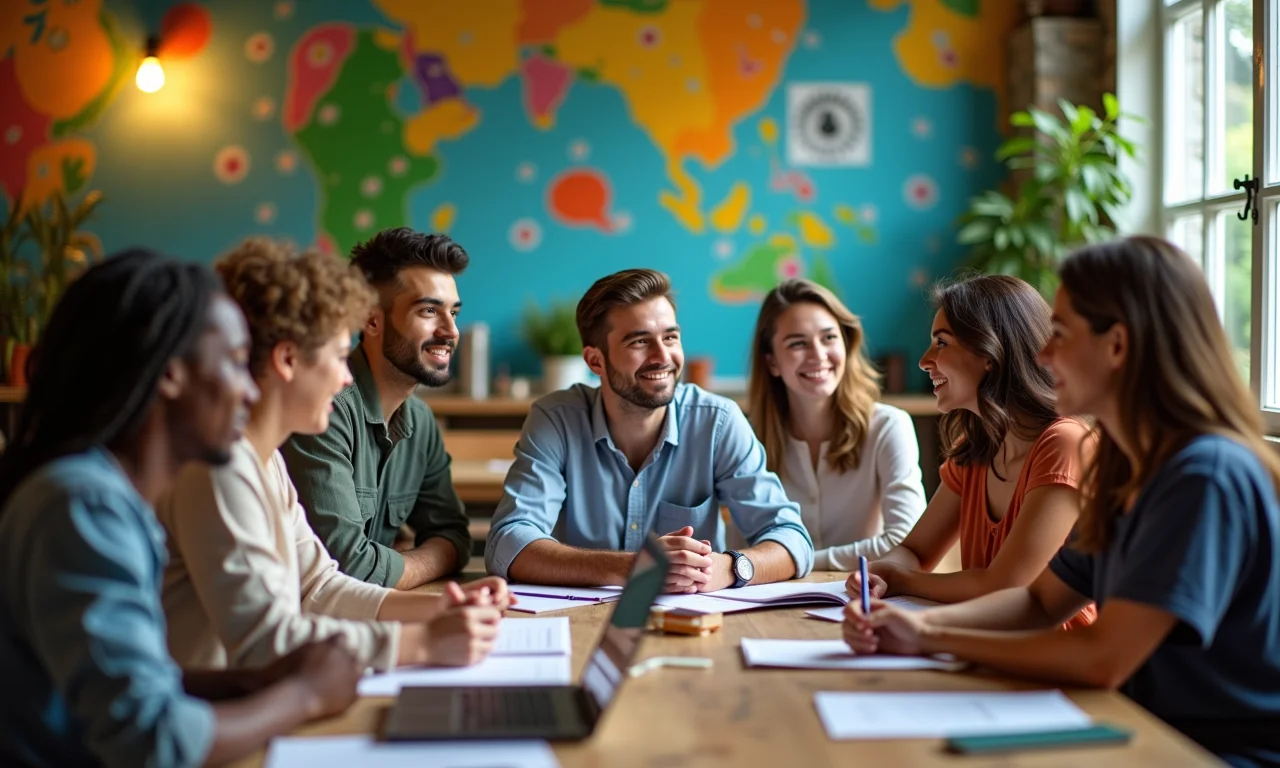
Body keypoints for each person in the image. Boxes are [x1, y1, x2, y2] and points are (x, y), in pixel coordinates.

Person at [844, 237, 1280, 768]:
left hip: (1211, 752)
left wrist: (932, 638)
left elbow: (1102, 659)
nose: (1043, 355)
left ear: (1117, 346)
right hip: (1135, 729)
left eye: (1060, 334)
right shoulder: (1126, 468)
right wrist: (920, 629)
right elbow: (1040, 601)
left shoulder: (1202, 474)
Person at [0, 250, 360, 768]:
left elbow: (130, 679)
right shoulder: (83, 506)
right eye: (235, 362)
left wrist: (252, 682)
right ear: (171, 374)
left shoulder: (104, 497)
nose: (250, 389)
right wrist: (304, 695)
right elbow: (152, 740)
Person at [159, 238, 506, 676]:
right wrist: (420, 642)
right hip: (212, 705)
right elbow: (266, 640)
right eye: (341, 357)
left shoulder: (266, 461)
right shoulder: (219, 468)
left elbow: (319, 586)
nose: (346, 379)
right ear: (288, 359)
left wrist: (441, 608)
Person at [486, 268, 813, 591]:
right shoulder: (556, 420)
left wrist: (728, 568)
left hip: (691, 616)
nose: (663, 357)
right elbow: (508, 542)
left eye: (670, 337)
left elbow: (792, 539)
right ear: (596, 361)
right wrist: (632, 568)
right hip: (580, 616)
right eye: (640, 341)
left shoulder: (718, 421)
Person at [849, 274, 1096, 629]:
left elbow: (1007, 587)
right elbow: (915, 551)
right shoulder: (976, 449)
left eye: (941, 343)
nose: (924, 361)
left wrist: (902, 579)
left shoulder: (1064, 443)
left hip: (1053, 657)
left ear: (990, 353)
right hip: (984, 646)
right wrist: (881, 573)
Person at [283, 228, 472, 589]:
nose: (451, 331)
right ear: (372, 320)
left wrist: (395, 564)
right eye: (429, 310)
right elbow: (349, 569)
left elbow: (455, 536)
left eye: (453, 312)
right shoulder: (324, 411)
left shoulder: (421, 421)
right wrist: (418, 558)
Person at [744, 279, 926, 570]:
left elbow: (907, 541)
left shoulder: (888, 426)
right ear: (772, 362)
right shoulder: (749, 439)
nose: (818, 355)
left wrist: (787, 564)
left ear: (846, 344)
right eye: (798, 343)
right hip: (771, 596)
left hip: (862, 593)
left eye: (829, 337)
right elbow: (741, 548)